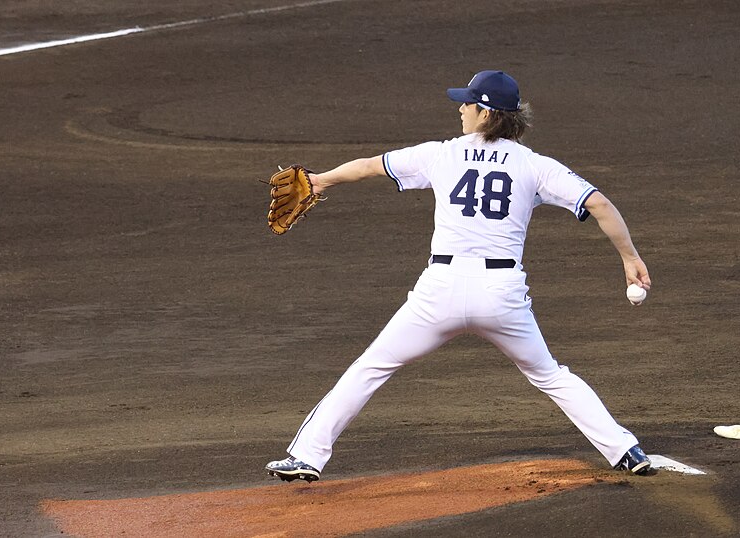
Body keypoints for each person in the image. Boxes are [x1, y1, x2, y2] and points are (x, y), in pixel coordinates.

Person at [266, 70, 654, 483]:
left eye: (467, 103)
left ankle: (307, 456)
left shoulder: (442, 154)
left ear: (486, 113)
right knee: (551, 376)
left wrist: (321, 180)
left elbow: (368, 166)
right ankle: (624, 450)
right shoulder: (536, 165)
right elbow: (598, 203)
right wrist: (629, 256)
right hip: (502, 296)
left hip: (440, 292)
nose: (461, 109)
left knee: (372, 366)